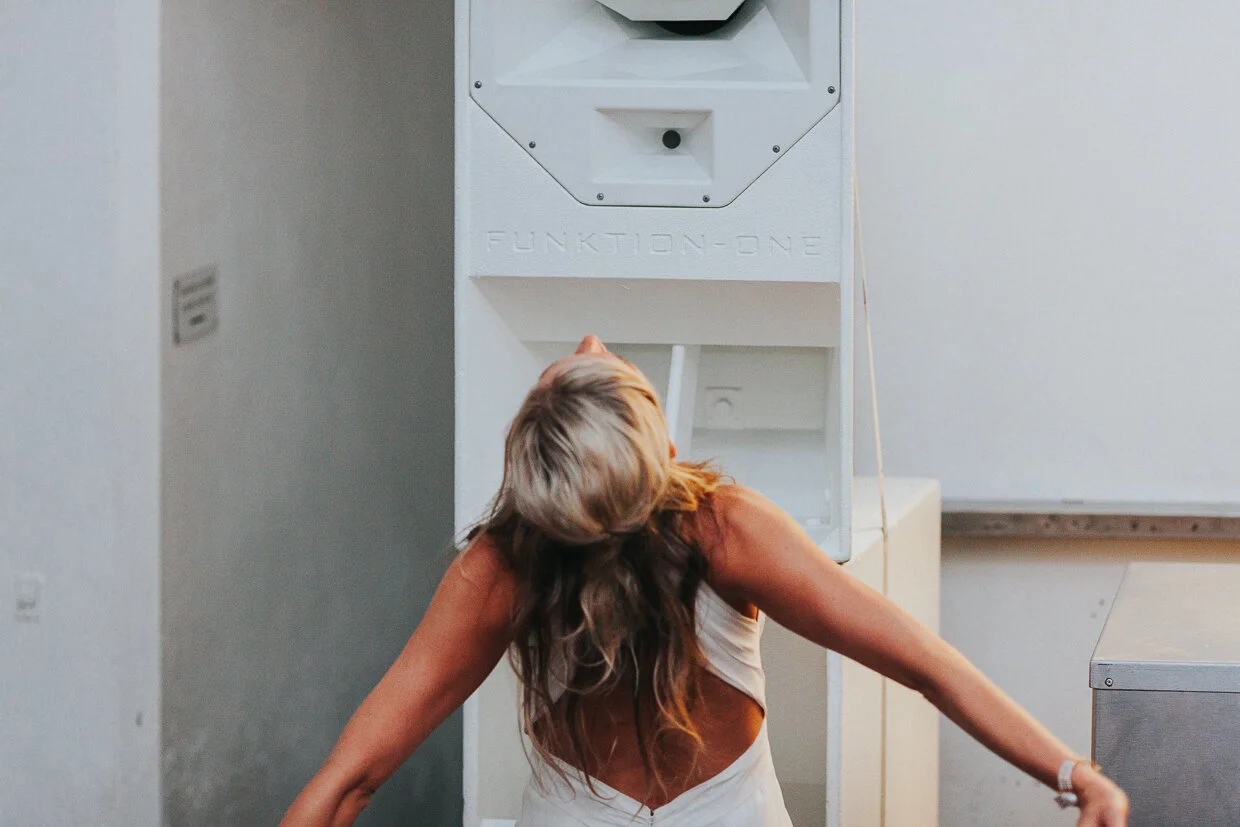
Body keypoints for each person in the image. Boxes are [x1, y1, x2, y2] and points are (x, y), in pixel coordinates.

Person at [282, 335, 1129, 827]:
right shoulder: (724, 527)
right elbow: (927, 663)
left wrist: (1071, 772)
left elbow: (350, 779)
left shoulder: (503, 564)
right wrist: (1072, 772)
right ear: (662, 460)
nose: (589, 342)